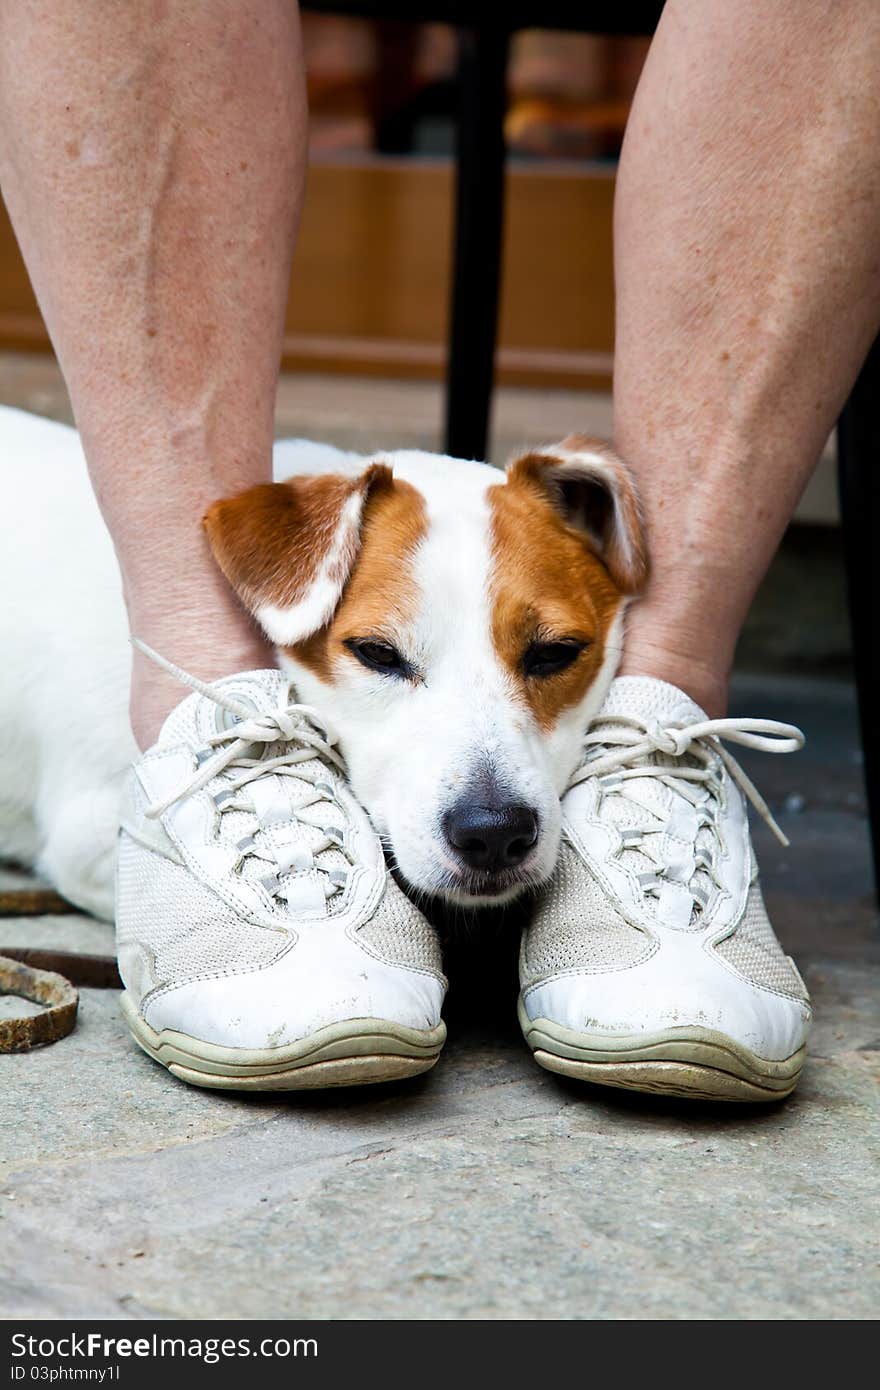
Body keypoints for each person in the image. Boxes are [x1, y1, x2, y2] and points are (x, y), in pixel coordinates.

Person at [1, 0, 875, 1099]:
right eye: (382, 659)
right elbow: (83, 843)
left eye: (550, 659)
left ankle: (658, 753)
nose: (491, 801)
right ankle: (207, 755)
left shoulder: (557, 533)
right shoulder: (295, 536)